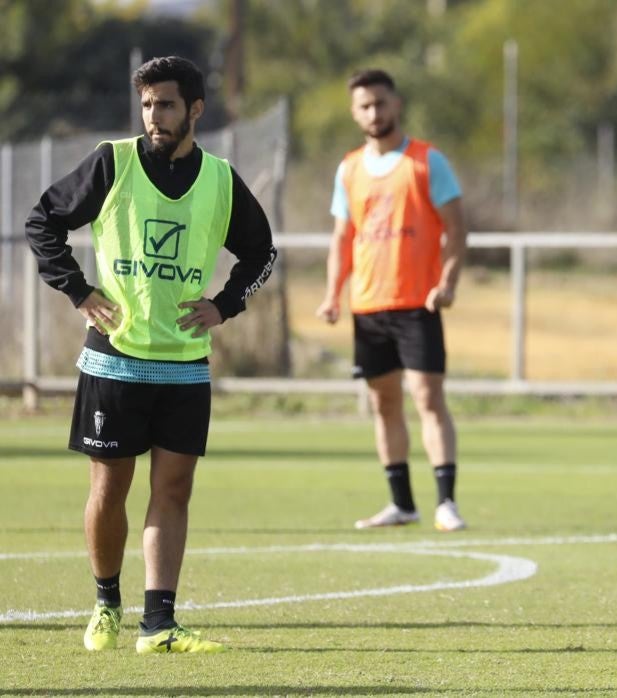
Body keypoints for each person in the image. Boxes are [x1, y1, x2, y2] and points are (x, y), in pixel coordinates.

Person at [24, 56, 277, 653]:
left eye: (165, 104)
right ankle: (106, 603)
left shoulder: (221, 179)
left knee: (174, 491)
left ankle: (158, 623)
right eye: (146, 105)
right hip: (115, 359)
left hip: (185, 364)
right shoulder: (112, 162)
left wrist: (225, 305)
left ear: (195, 109)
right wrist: (78, 290)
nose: (153, 116)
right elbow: (43, 223)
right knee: (109, 490)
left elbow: (262, 252)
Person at [316, 69, 469, 533]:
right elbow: (343, 237)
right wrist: (333, 294)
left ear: (396, 104)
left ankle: (446, 502)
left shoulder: (426, 161)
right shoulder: (348, 168)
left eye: (380, 103)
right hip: (368, 306)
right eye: (364, 106)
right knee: (384, 403)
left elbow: (457, 229)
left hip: (418, 302)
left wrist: (448, 282)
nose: (374, 113)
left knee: (427, 397)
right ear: (354, 112)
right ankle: (401, 503)